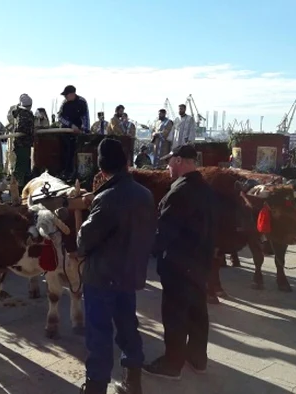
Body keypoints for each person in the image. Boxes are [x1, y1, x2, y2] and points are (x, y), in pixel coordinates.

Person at [78, 138, 155, 394]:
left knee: (98, 333)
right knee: (127, 326)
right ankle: (133, 380)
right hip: (129, 274)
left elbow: (86, 239)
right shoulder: (145, 194)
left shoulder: (108, 197)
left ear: (101, 169)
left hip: (101, 277)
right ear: (126, 163)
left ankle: (96, 386)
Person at [143, 144, 215, 380]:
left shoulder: (179, 191)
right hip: (200, 263)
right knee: (197, 312)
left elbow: (164, 233)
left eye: (169, 161)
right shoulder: (205, 187)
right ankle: (197, 359)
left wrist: (144, 250)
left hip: (178, 264)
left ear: (180, 161)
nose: (167, 166)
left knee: (175, 314)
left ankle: (172, 364)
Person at [57, 85, 90, 179]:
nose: (65, 97)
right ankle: (66, 171)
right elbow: (60, 117)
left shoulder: (82, 102)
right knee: (66, 150)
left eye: (66, 95)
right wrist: (70, 125)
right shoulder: (64, 104)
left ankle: (77, 173)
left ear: (72, 94)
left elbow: (85, 117)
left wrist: (84, 129)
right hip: (66, 130)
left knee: (78, 150)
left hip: (79, 132)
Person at [11, 95, 35, 188]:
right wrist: (31, 132)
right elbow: (22, 128)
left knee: (24, 164)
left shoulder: (20, 113)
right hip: (23, 143)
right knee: (21, 165)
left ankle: (23, 184)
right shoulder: (24, 114)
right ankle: (17, 186)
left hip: (23, 144)